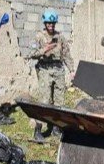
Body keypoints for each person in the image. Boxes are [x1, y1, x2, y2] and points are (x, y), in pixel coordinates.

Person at [27, 9, 75, 141]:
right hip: (45, 70)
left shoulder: (60, 37)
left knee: (60, 102)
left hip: (59, 70)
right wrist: (44, 49)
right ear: (45, 23)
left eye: (53, 23)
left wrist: (71, 70)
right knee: (45, 101)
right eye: (49, 23)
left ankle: (56, 128)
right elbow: (31, 53)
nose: (51, 25)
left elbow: (66, 54)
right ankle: (38, 131)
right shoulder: (38, 36)